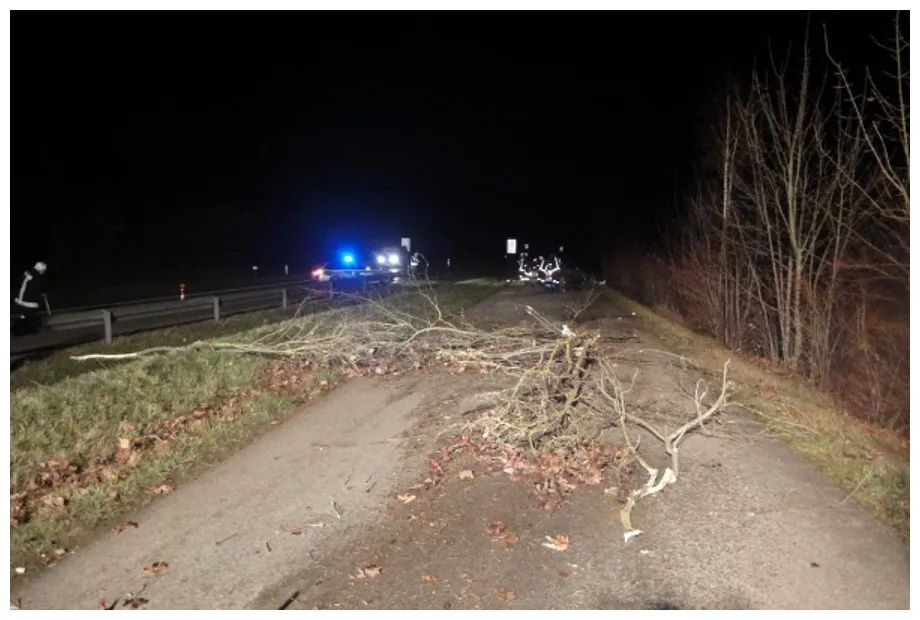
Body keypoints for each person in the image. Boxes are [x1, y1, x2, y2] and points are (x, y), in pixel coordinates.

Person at [13, 262, 48, 333]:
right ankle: (30, 330)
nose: (43, 272)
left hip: (20, 298)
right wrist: (41, 293)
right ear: (40, 269)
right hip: (27, 300)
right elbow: (36, 288)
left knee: (24, 314)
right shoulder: (35, 276)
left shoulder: (28, 272)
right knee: (30, 315)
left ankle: (20, 327)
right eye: (43, 270)